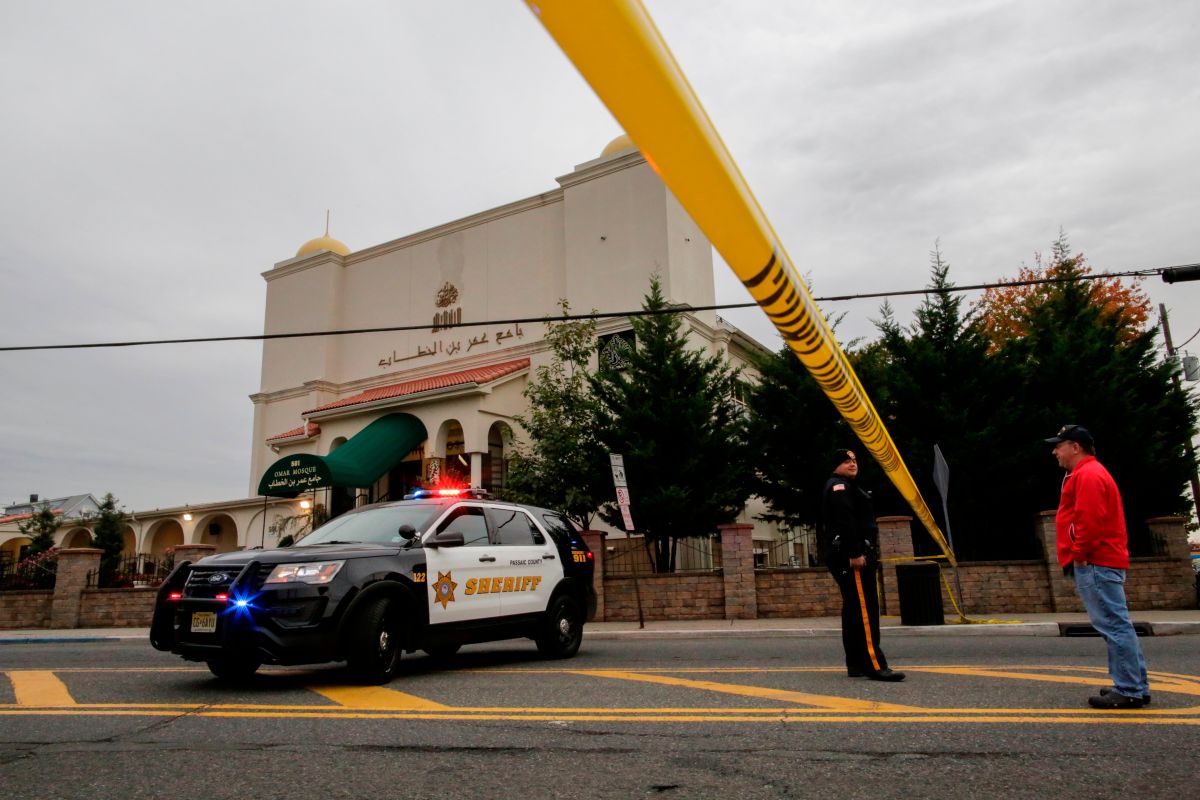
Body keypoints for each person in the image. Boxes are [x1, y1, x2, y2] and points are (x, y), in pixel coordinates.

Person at [1045, 424, 1150, 709]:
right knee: (1119, 624)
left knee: (1114, 626)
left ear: (1075, 447)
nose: (1055, 451)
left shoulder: (1088, 475)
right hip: (1100, 560)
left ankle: (1129, 689)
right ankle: (1136, 685)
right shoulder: (1088, 472)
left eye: (1059, 445)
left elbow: (1088, 519)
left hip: (1095, 561)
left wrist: (1079, 553)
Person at [821, 448, 904, 682]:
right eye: (846, 461)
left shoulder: (846, 486)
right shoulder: (839, 488)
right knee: (865, 611)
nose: (852, 464)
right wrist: (855, 552)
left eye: (854, 460)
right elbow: (845, 521)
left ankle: (856, 663)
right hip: (852, 557)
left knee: (854, 610)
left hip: (850, 554)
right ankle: (875, 665)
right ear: (836, 465)